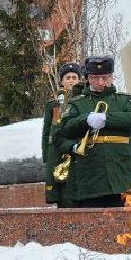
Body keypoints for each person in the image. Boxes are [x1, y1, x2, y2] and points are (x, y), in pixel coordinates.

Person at [52, 56, 131, 208]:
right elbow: (65, 128)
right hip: (89, 175)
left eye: (105, 78)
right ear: (88, 78)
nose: (101, 82)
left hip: (118, 173)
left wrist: (107, 118)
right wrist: (85, 120)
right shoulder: (77, 103)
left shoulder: (124, 100)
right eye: (95, 78)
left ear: (112, 77)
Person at [42, 61, 83, 207]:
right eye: (68, 78)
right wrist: (46, 155)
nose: (71, 81)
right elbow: (47, 132)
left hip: (77, 147)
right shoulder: (53, 105)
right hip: (57, 151)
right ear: (61, 81)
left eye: (74, 77)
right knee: (60, 186)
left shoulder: (83, 100)